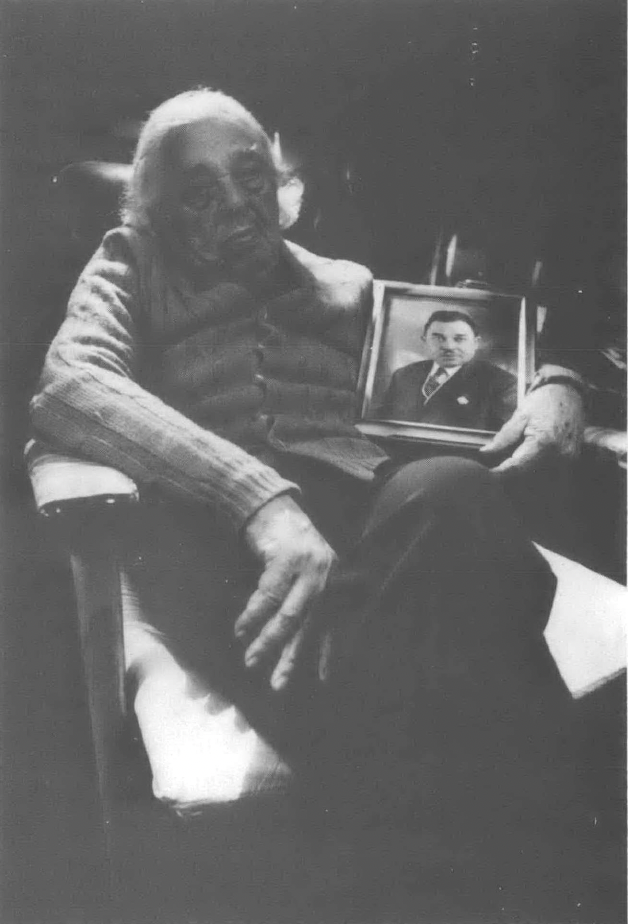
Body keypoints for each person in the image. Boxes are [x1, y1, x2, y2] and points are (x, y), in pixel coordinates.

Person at [30, 89, 587, 838]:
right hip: (238, 563)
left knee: (448, 493)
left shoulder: (349, 283)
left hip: (380, 548)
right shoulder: (132, 264)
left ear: (283, 190)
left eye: (252, 176)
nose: (237, 205)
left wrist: (556, 384)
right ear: (154, 215)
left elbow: (476, 355)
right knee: (476, 622)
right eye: (199, 196)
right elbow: (71, 386)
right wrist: (258, 498)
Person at [378, 309, 518, 429]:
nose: (449, 347)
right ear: (425, 340)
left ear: (475, 343)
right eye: (439, 338)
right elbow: (383, 422)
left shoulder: (502, 383)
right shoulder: (404, 375)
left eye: (459, 339)